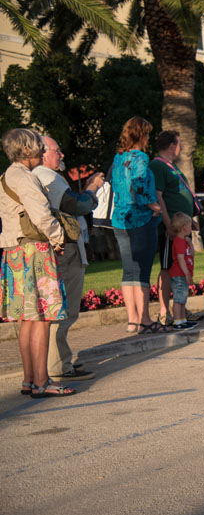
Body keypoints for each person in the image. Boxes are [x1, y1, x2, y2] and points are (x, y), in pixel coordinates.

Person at [0, 128, 74, 398]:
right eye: (39, 148)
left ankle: (29, 378)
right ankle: (43, 381)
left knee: (27, 319)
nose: (43, 152)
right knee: (42, 318)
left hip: (14, 252)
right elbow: (41, 216)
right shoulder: (26, 178)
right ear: (28, 151)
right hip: (35, 251)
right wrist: (59, 237)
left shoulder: (7, 176)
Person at [32, 135, 103, 380]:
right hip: (65, 250)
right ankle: (59, 367)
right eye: (57, 150)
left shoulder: (35, 176)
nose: (61, 155)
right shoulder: (48, 175)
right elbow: (78, 205)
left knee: (53, 310)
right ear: (41, 153)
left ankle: (59, 362)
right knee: (63, 309)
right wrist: (93, 188)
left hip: (50, 249)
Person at [110, 117, 164, 334]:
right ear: (141, 135)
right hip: (140, 218)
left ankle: (132, 320)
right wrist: (154, 206)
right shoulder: (140, 157)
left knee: (128, 270)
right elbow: (139, 183)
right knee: (142, 271)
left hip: (120, 218)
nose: (149, 138)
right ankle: (144, 319)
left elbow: (116, 184)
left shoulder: (118, 157)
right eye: (147, 133)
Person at [150, 130, 201, 326]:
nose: (180, 148)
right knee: (167, 268)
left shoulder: (173, 167)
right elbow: (158, 195)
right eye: (179, 144)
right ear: (172, 146)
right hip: (170, 229)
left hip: (181, 227)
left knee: (179, 268)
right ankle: (165, 311)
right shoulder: (158, 166)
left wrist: (189, 221)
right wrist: (167, 223)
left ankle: (180, 307)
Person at [169, 212, 198, 331]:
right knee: (178, 299)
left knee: (182, 299)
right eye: (190, 226)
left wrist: (190, 244)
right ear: (184, 228)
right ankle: (177, 321)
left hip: (183, 274)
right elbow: (181, 259)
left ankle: (182, 320)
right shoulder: (179, 242)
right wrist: (186, 274)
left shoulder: (184, 242)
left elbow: (192, 254)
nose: (191, 229)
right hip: (179, 274)